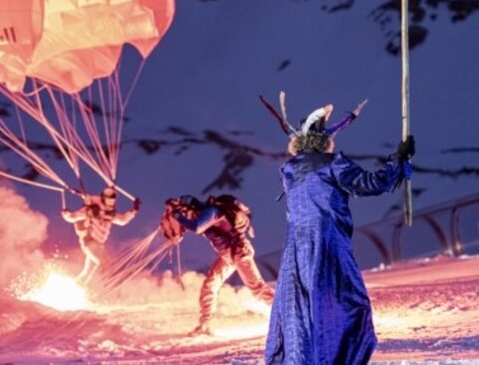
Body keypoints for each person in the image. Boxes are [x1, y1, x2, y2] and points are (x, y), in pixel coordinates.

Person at [259, 94, 415, 364]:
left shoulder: (288, 170)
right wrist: (398, 160)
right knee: (346, 306)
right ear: (324, 141)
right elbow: (369, 183)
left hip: (296, 252)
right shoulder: (332, 164)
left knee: (300, 310)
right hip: (328, 246)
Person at [163, 194, 275, 336]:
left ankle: (288, 316)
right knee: (209, 286)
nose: (188, 215)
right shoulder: (203, 213)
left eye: (187, 212)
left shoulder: (211, 211)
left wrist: (178, 216)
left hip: (239, 252)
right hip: (228, 255)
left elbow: (197, 228)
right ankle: (205, 324)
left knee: (257, 287)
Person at [61, 186, 140, 285]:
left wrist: (134, 210)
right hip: (89, 242)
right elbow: (73, 217)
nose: (112, 202)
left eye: (113, 200)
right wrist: (65, 213)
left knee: (87, 271)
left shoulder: (110, 213)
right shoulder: (92, 210)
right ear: (104, 199)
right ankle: (94, 288)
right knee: (103, 264)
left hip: (98, 245)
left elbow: (122, 220)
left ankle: (75, 288)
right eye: (110, 200)